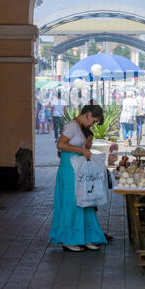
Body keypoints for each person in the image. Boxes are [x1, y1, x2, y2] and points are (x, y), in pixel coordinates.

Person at [49, 104, 107, 252]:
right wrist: (81, 149)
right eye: (93, 121)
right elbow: (60, 144)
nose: (93, 124)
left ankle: (86, 237)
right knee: (72, 201)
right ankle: (69, 240)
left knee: (85, 200)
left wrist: (86, 148)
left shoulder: (80, 127)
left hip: (78, 167)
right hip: (69, 168)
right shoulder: (72, 126)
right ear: (88, 114)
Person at [82, 127, 114, 243]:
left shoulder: (86, 153)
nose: (91, 144)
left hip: (90, 189)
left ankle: (95, 232)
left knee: (91, 210)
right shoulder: (79, 153)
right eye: (89, 141)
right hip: (84, 189)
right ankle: (92, 234)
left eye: (92, 141)